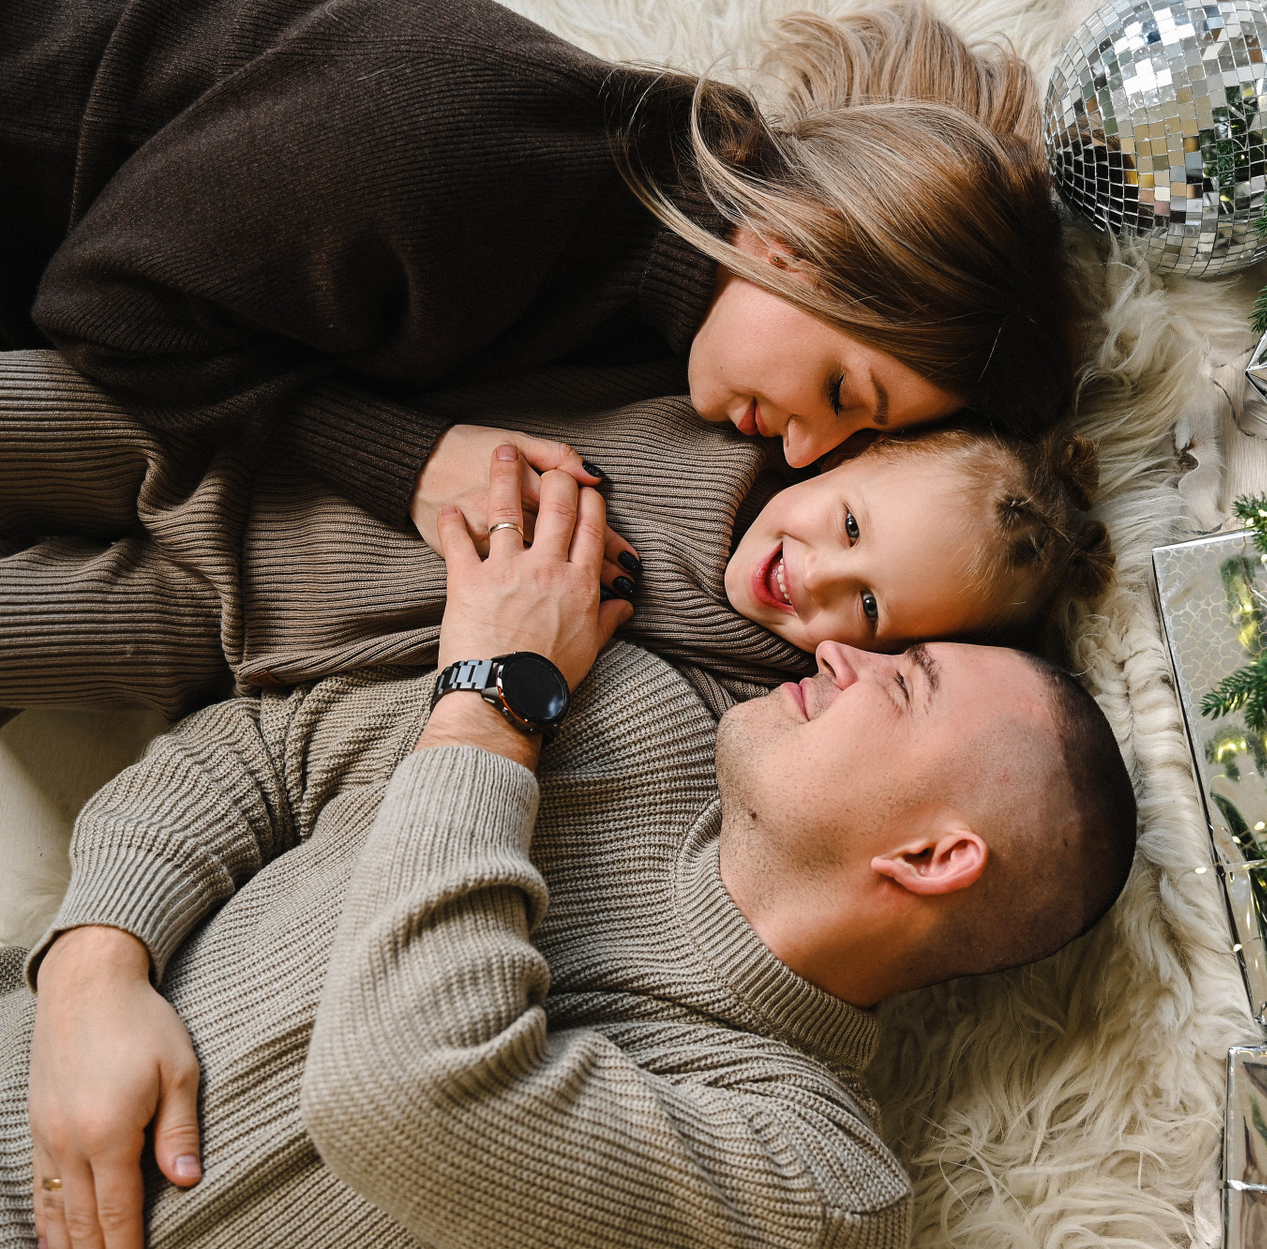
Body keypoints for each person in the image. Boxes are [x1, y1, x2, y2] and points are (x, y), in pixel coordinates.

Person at [3, 453, 1138, 1249]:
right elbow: (259, 751)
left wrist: (493, 695)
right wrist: (95, 960)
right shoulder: (622, 702)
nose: (842, 654)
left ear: (934, 857)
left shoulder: (821, 1182)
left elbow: (399, 1098)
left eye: (904, 679)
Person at [1, 0, 1074, 560]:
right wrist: (409, 463)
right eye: (842, 393)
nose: (805, 449)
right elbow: (104, 305)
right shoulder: (442, 144)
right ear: (798, 237)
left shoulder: (669, 298)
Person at [0, 352, 1113, 717]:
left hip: (225, 630)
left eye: (867, 604)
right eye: (851, 523)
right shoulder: (716, 406)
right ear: (845, 455)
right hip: (242, 442)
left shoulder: (744, 683)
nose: (817, 575)